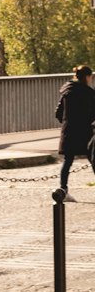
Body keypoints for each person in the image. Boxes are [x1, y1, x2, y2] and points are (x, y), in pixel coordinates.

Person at [56, 65, 95, 200]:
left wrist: (68, 122)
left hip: (69, 131)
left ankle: (63, 189)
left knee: (67, 162)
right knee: (93, 159)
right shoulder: (89, 93)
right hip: (86, 132)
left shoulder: (67, 91)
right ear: (87, 77)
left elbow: (58, 113)